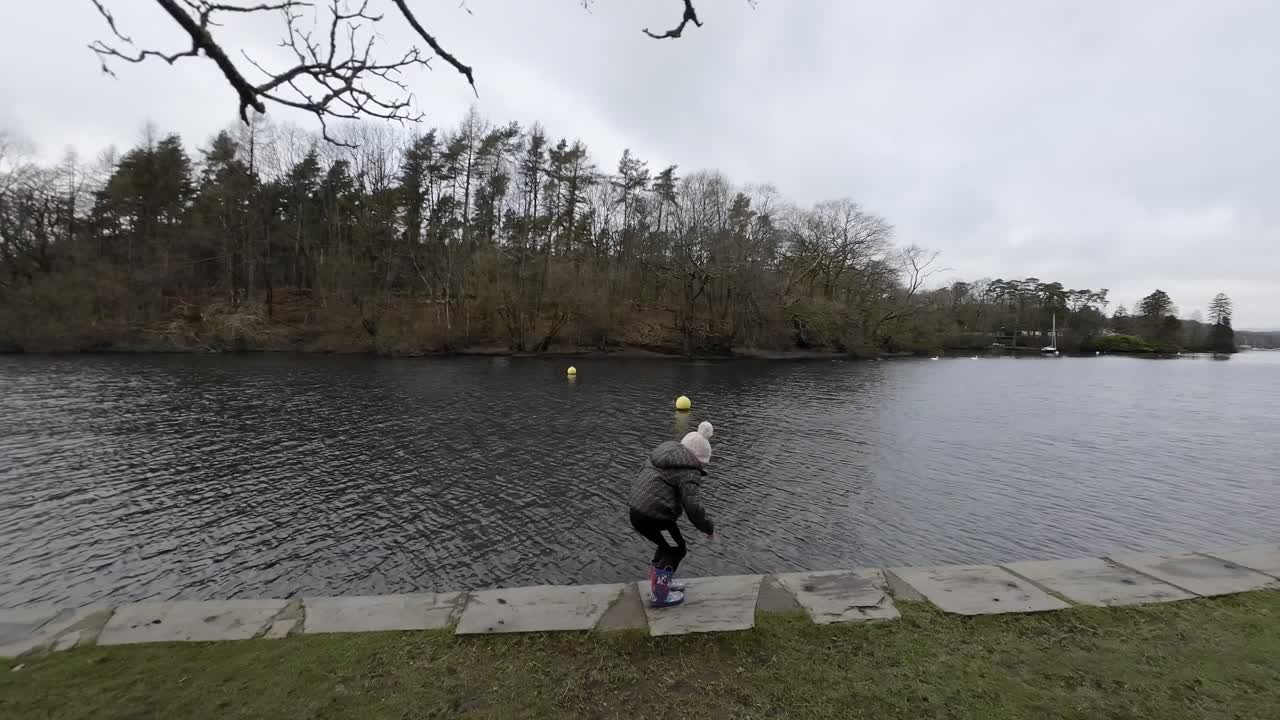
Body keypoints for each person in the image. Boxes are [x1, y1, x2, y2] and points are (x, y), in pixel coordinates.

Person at [628, 421, 715, 607]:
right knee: (676, 549)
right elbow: (693, 506)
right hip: (655, 517)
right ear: (698, 459)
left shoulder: (664, 455)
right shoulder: (688, 471)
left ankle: (661, 582)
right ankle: (660, 594)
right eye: (702, 463)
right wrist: (708, 527)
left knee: (667, 546)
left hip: (637, 510)